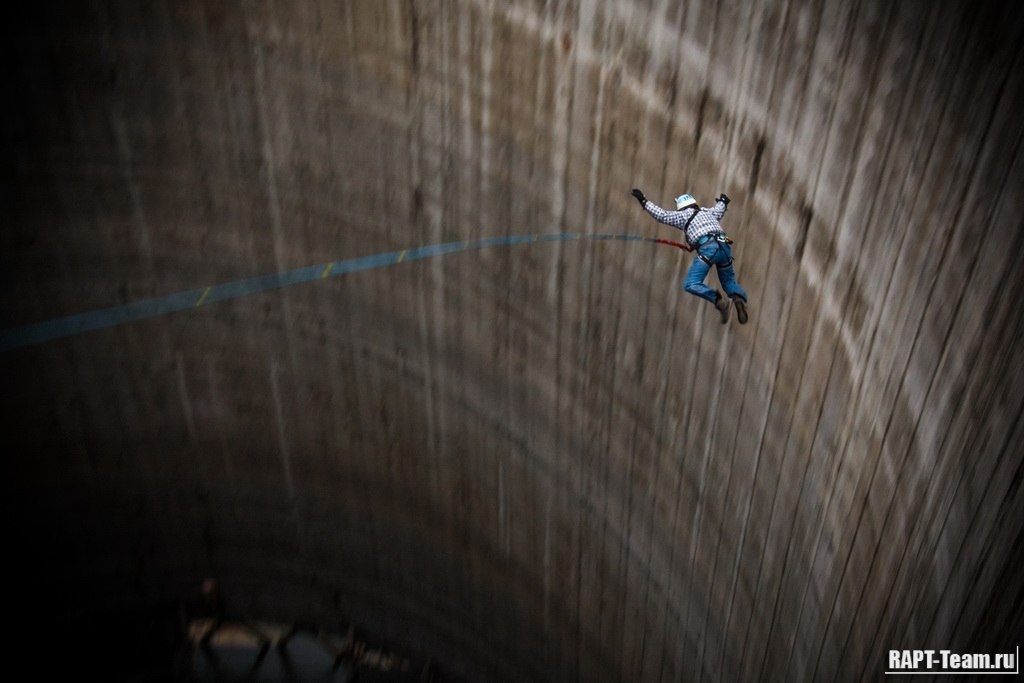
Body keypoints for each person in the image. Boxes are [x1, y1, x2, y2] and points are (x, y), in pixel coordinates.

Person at [631, 188, 749, 324]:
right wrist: (723, 201)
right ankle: (738, 297)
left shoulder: (683, 216)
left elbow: (662, 215)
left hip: (708, 249)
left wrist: (644, 201)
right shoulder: (707, 212)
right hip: (724, 247)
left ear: (680, 208)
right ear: (694, 203)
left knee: (691, 284)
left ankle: (718, 301)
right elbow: (720, 208)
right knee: (729, 282)